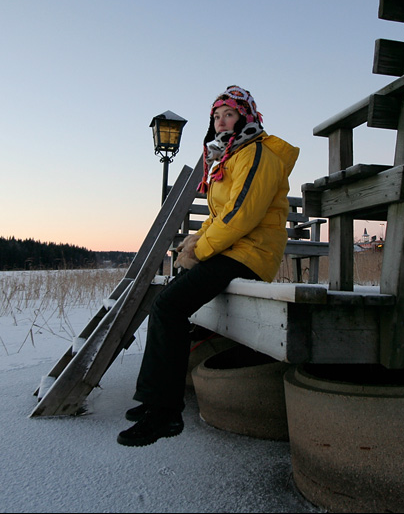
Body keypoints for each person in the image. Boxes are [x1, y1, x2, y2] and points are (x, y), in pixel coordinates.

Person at [117, 85, 300, 447]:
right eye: (216, 116)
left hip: (250, 254)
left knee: (168, 306)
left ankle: (165, 413)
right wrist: (196, 241)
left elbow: (241, 215)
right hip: (233, 251)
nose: (220, 121)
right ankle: (156, 400)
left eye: (228, 114)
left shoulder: (257, 153)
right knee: (168, 303)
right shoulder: (231, 157)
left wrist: (201, 251)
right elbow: (221, 215)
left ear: (245, 117)